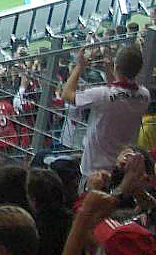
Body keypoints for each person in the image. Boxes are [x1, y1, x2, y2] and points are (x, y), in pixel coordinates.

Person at [62, 44, 150, 182]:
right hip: (121, 167)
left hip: (94, 171)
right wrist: (111, 70)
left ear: (117, 66)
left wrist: (79, 66)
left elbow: (67, 94)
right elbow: (120, 93)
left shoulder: (101, 95)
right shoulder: (145, 95)